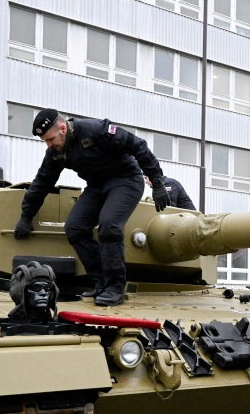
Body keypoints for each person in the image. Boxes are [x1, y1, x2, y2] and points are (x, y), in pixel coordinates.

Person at [14, 110, 169, 307]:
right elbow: (43, 181)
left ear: (63, 128)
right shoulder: (55, 152)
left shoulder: (95, 130)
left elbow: (138, 145)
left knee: (109, 224)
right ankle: (102, 282)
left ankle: (115, 287)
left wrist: (157, 181)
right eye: (45, 141)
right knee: (75, 227)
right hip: (97, 186)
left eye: (50, 139)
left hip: (126, 179)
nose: (49, 144)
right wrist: (26, 215)